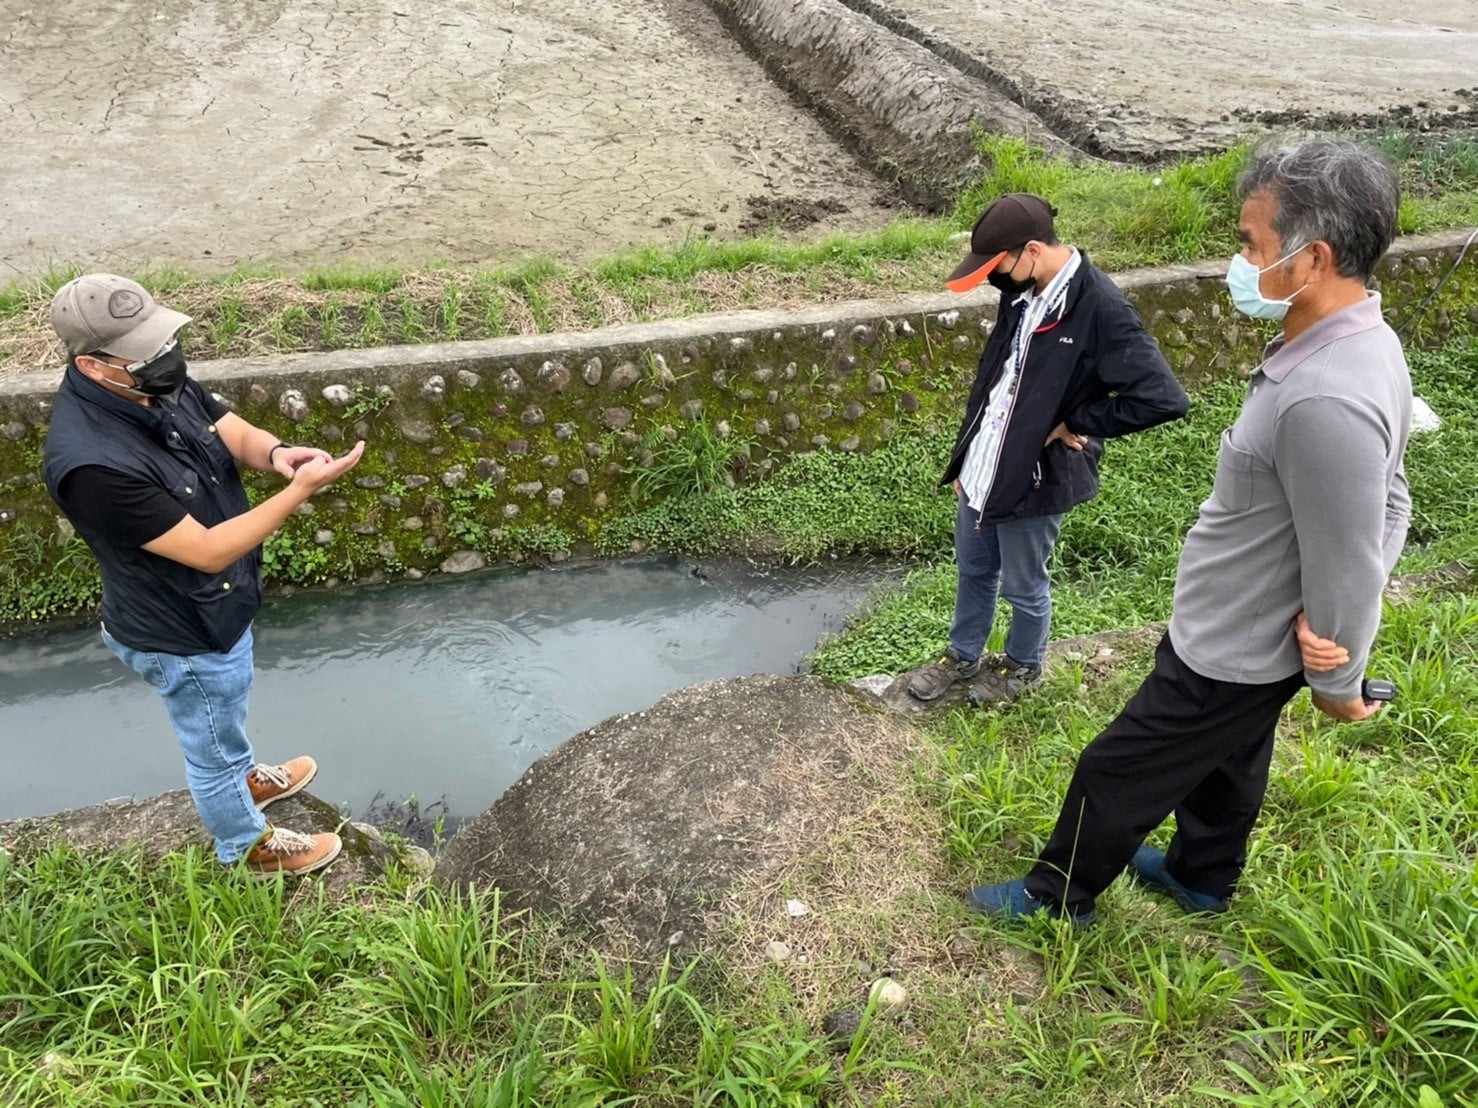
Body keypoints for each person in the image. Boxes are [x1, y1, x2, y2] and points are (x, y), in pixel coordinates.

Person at [968, 140, 1411, 925]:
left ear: (1312, 261)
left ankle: (1055, 894)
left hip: (1238, 637)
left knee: (1117, 766)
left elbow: (1352, 550)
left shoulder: (1325, 397)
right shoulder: (1356, 346)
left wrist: (1339, 679)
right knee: (1231, 758)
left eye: (1252, 245)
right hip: (1244, 626)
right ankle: (1201, 877)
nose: (1239, 262)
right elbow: (1391, 498)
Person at [42, 274, 366, 877]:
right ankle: (247, 846)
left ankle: (244, 776)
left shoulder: (147, 383)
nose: (166, 358)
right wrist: (299, 490)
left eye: (164, 341)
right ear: (92, 365)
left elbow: (227, 427)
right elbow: (210, 550)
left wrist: (276, 455)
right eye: (146, 351)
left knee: (224, 716)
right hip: (179, 630)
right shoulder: (90, 463)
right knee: (209, 742)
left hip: (213, 608)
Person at [904, 194, 1189, 706]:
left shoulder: (1101, 307)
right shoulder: (1022, 291)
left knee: (1023, 584)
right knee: (973, 570)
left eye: (999, 266)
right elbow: (996, 377)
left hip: (1036, 477)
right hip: (986, 465)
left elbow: (1163, 399)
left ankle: (1023, 666)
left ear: (1032, 250)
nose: (995, 278)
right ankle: (962, 655)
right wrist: (968, 455)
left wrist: (1079, 420)